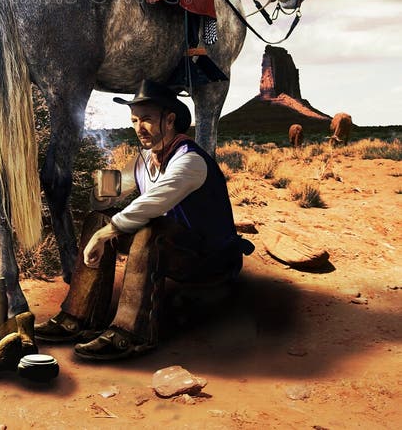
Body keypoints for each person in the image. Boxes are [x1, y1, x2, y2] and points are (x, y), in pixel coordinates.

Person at [34, 79, 249, 361]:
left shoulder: (190, 161)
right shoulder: (145, 159)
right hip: (176, 246)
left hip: (210, 258)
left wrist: (104, 236)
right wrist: (102, 190)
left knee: (150, 229)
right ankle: (80, 317)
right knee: (98, 220)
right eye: (134, 120)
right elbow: (110, 194)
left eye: (146, 119)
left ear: (170, 120)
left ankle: (132, 333)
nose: (138, 128)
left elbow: (151, 204)